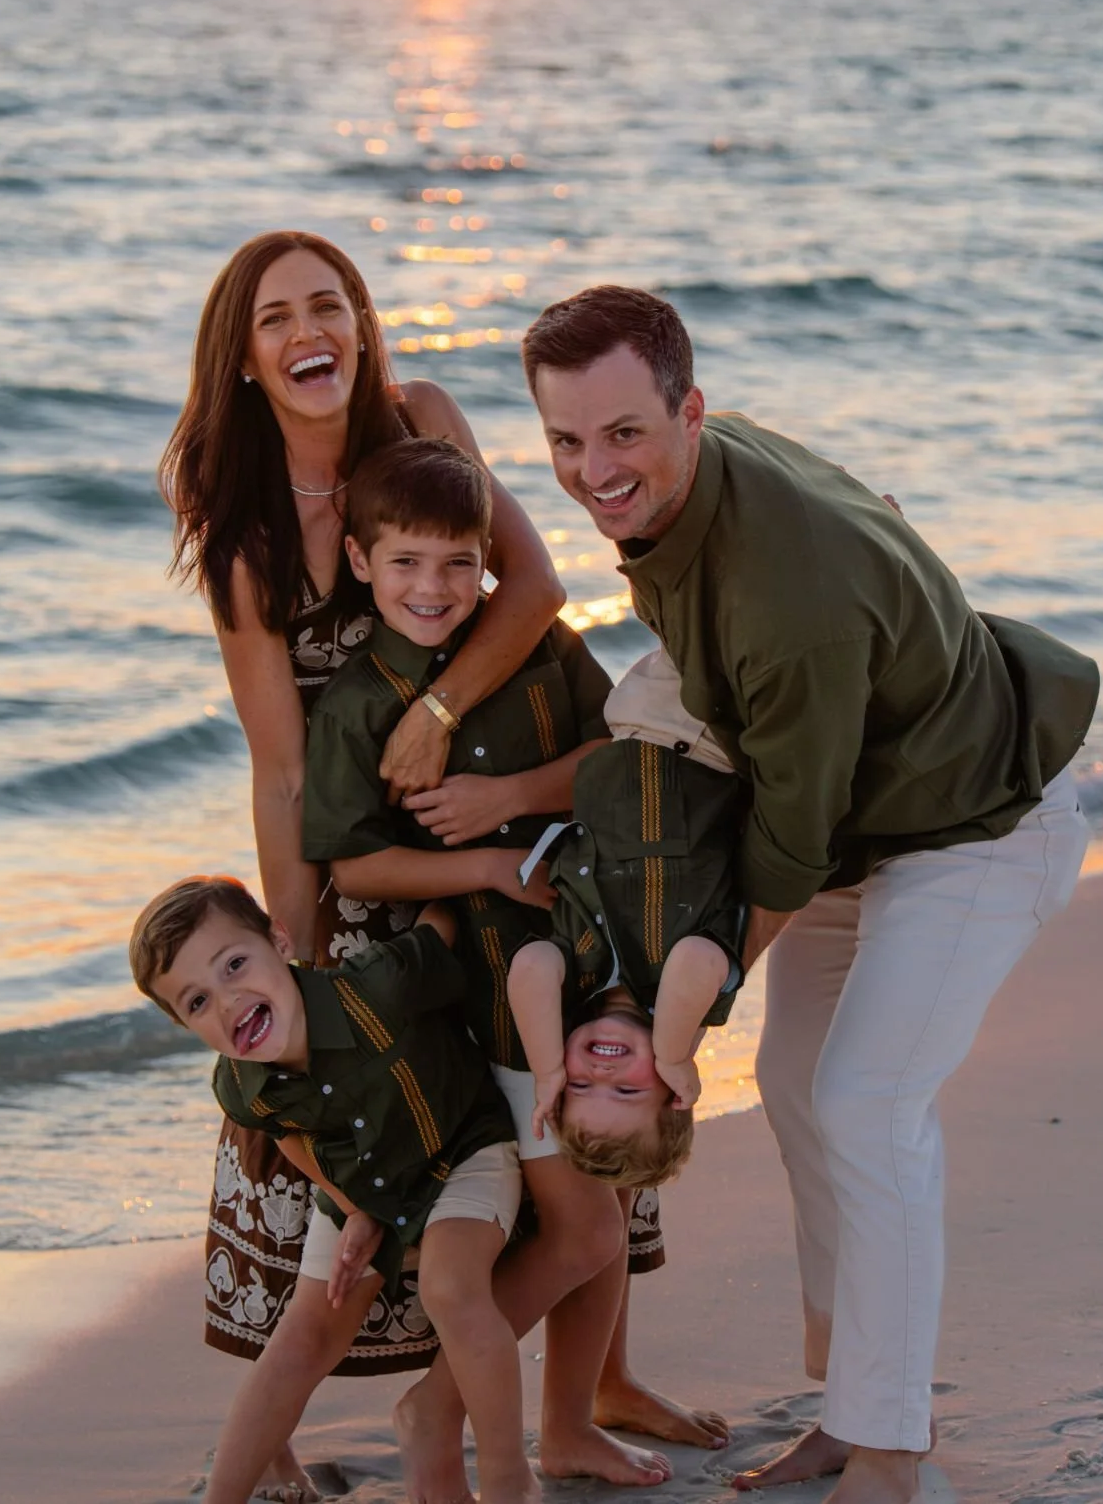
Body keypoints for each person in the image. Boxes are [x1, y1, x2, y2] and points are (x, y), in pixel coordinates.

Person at [521, 285, 1099, 1504]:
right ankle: (852, 1404)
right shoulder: (692, 485)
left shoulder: (786, 603)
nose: (593, 471)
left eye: (623, 433)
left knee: (867, 1102)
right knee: (799, 1087)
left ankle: (896, 1457)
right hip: (866, 814)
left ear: (692, 410)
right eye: (565, 441)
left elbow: (787, 844)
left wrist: (682, 1023)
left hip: (977, 824)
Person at [300, 435, 674, 1487]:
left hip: (598, 961)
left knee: (602, 1210)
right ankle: (437, 1407)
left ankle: (564, 1425)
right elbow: (353, 864)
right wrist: (491, 867)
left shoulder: (538, 645)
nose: (436, 587)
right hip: (491, 1008)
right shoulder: (358, 705)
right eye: (409, 563)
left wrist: (508, 800)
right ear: (364, 562)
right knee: (586, 1228)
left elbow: (621, 756)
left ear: (486, 563)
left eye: (460, 562)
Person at [128, 877, 532, 1504]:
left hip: (461, 1148)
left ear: (279, 940)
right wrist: (353, 1210)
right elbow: (289, 1134)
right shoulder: (240, 1086)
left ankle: (509, 1483)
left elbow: (440, 923)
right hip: (359, 1181)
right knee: (306, 1333)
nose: (229, 1001)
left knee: (450, 1286)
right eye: (197, 1002)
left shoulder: (377, 986)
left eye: (235, 964)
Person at [507, 646, 782, 1189]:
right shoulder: (689, 1002)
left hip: (635, 718)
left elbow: (529, 966)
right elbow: (694, 957)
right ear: (676, 1092)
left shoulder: (574, 980)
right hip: (707, 744)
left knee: (692, 606)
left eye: (579, 1088)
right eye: (627, 1091)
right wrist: (674, 1052)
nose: (600, 1075)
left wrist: (546, 1070)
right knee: (739, 615)